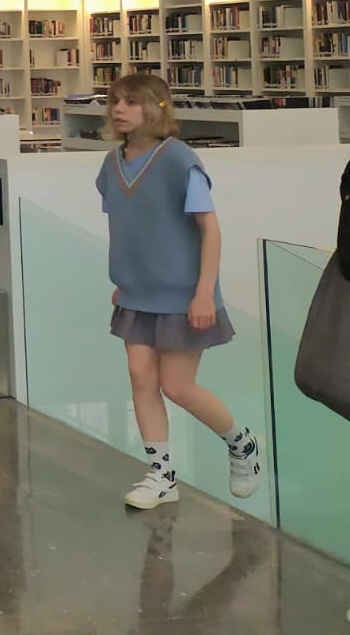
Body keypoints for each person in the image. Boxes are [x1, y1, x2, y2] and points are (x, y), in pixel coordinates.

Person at [98, 73, 261, 509]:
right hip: (136, 294)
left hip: (184, 294)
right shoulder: (111, 165)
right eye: (115, 101)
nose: (119, 109)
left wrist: (204, 293)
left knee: (177, 386)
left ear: (156, 108)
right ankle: (162, 476)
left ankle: (242, 443)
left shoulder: (179, 160)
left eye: (131, 101)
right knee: (140, 377)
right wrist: (124, 280)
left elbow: (210, 229)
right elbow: (129, 227)